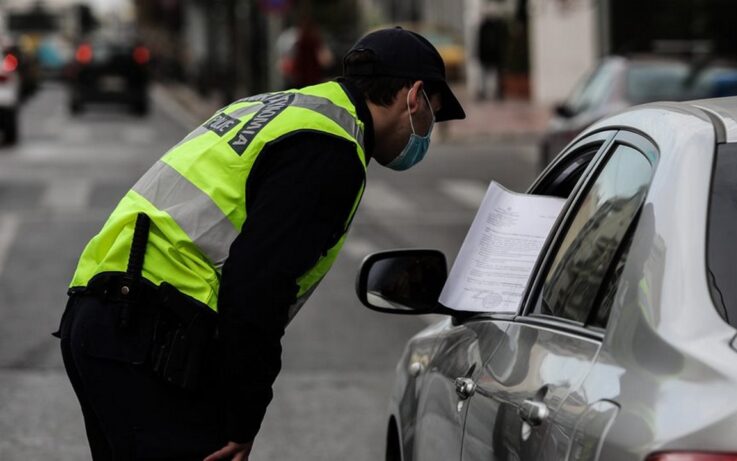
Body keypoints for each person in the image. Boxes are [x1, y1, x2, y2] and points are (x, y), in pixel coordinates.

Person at [55, 26, 465, 461]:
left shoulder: (278, 106)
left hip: (101, 315)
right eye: (432, 119)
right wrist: (242, 416)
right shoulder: (332, 151)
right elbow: (257, 286)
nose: (426, 135)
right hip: (149, 335)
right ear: (414, 97)